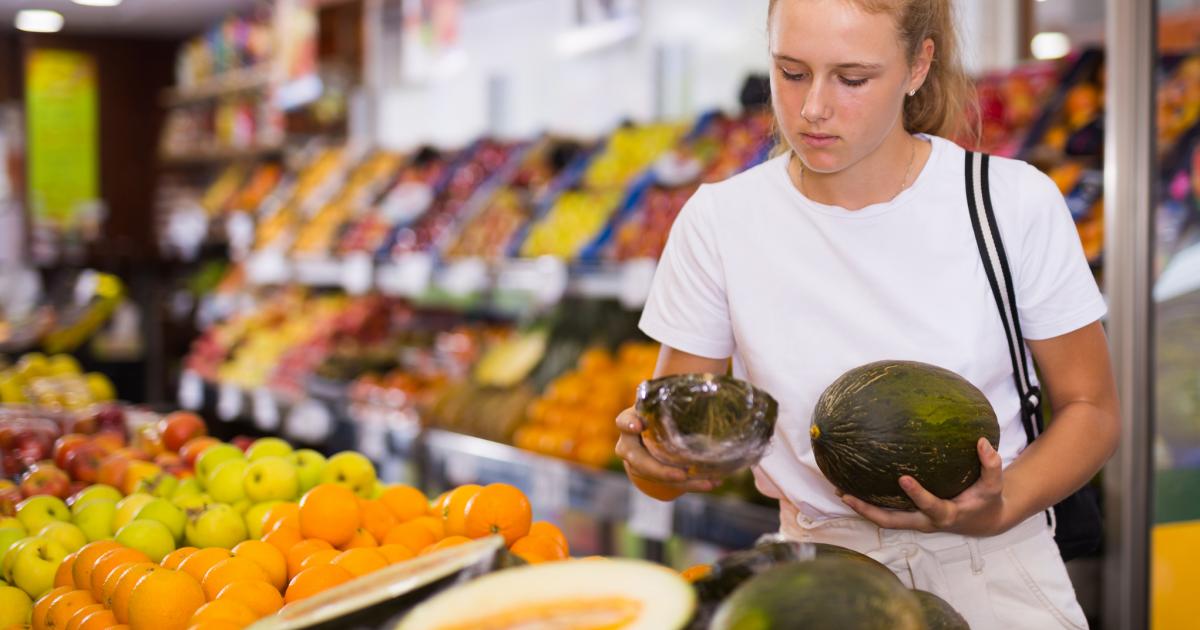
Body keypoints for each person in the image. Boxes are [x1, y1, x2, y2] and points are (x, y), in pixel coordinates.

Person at [614, 1, 1119, 628]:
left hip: (993, 566)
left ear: (918, 66)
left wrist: (998, 505)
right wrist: (654, 464)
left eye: (852, 79)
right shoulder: (719, 222)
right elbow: (675, 451)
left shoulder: (1010, 202)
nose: (812, 108)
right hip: (817, 580)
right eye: (791, 72)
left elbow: (1092, 410)